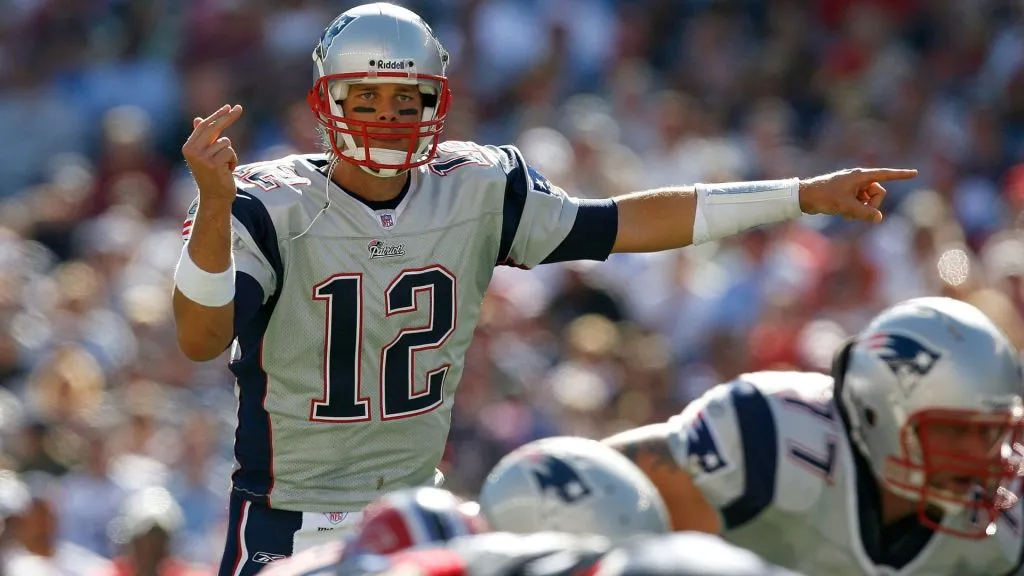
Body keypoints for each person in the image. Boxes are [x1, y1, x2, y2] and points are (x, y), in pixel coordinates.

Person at [170, 2, 917, 573]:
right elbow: (201, 339)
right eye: (366, 98)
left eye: (407, 101)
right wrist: (210, 204)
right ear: (327, 103)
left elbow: (622, 224)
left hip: (417, 510)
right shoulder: (268, 201)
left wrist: (800, 194)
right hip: (284, 520)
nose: (389, 118)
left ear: (437, 102)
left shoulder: (475, 187)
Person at [604, 296, 1024, 575]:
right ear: (879, 409)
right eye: (954, 430)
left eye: (990, 433)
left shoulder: (1008, 523)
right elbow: (589, 492)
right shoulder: (770, 436)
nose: (982, 455)